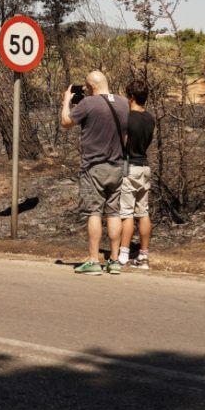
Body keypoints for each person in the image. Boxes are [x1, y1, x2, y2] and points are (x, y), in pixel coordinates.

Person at [61, 70, 130, 275]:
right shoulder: (124, 103)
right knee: (114, 212)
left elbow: (66, 122)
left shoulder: (88, 104)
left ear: (90, 87)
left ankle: (93, 260)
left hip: (94, 166)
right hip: (117, 166)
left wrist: (66, 101)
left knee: (94, 212)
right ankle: (114, 260)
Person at [119, 80, 156, 269]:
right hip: (144, 165)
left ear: (131, 97)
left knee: (126, 213)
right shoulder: (150, 118)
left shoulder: (127, 118)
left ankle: (123, 253)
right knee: (143, 212)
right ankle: (143, 255)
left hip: (128, 165)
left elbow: (123, 143)